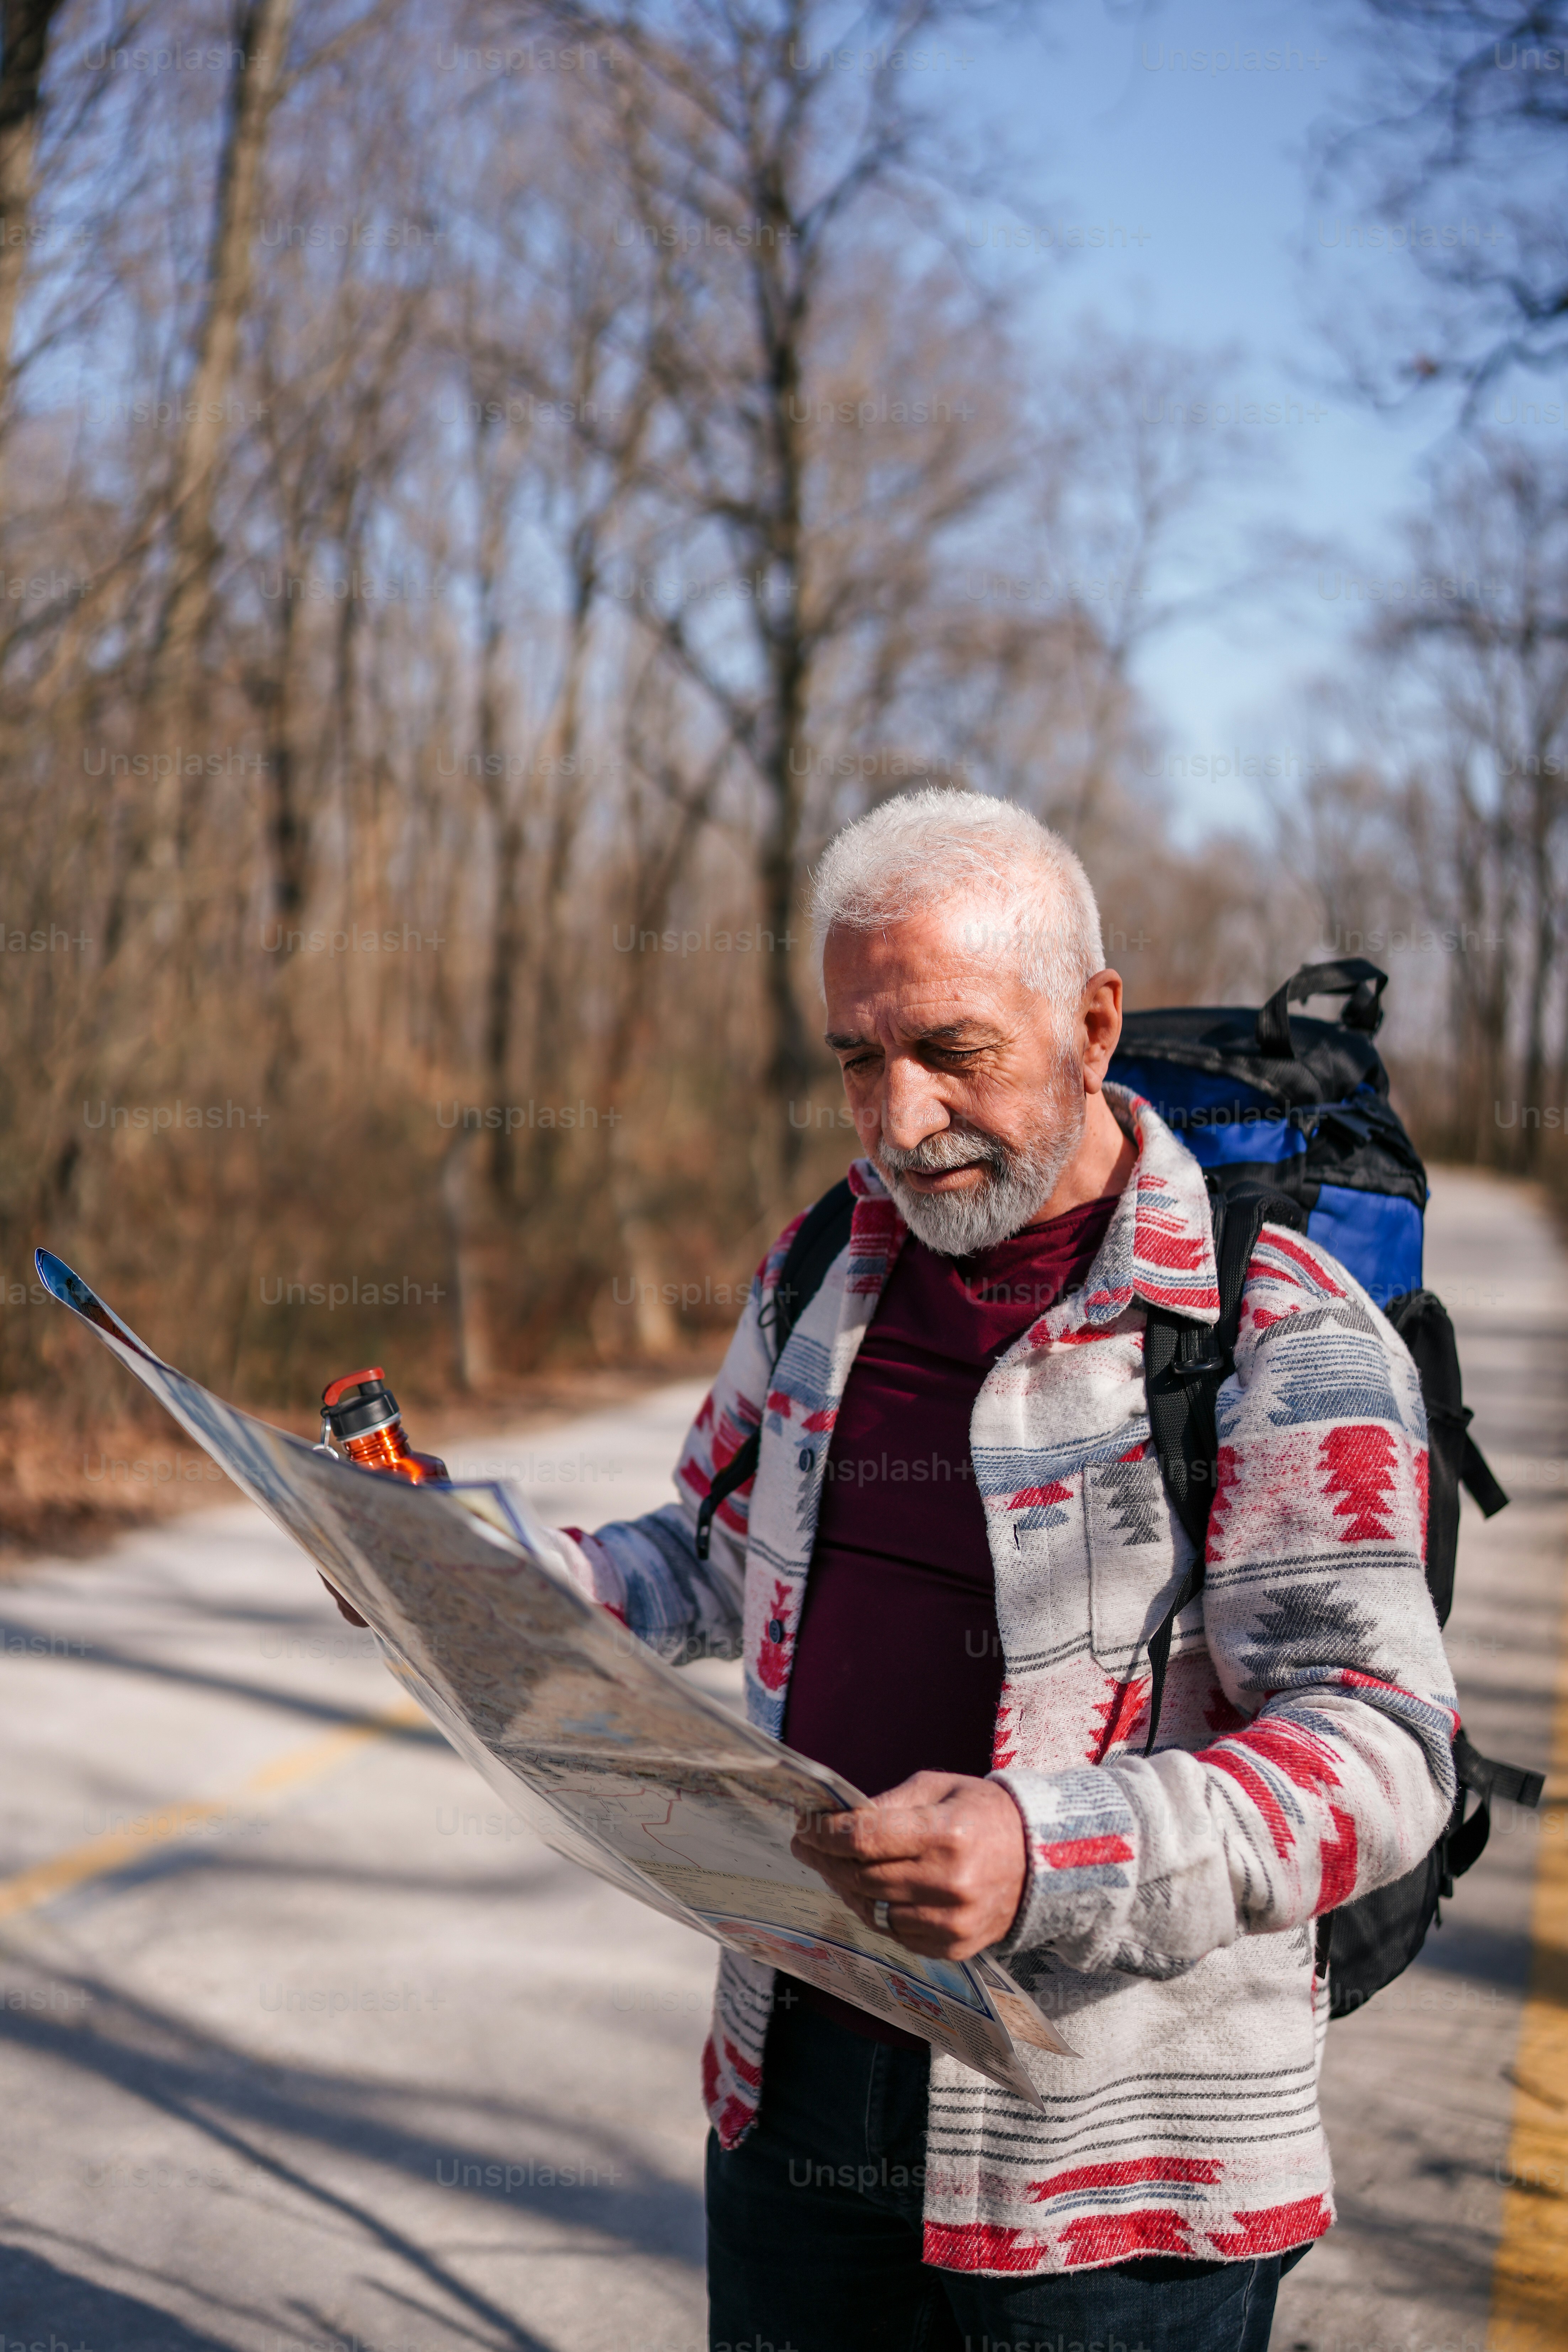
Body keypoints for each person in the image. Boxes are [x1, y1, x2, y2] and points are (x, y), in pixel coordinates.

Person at [550, 791, 1456, 2352]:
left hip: (1109, 2153)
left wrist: (1052, 1852)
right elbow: (709, 1551)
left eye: (950, 1052)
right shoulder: (822, 1263)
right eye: (855, 1056)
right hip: (798, 2066)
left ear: (1090, 1020)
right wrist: (506, 1575)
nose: (895, 1120)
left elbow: (1382, 1745)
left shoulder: (1280, 1331)